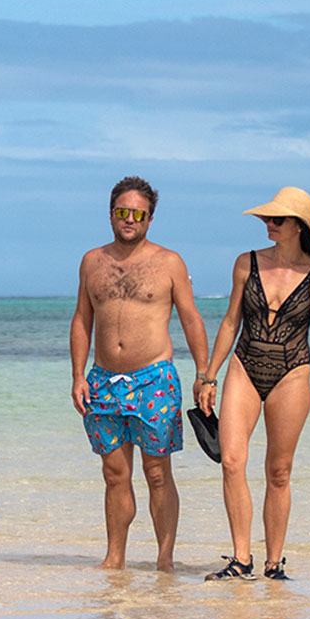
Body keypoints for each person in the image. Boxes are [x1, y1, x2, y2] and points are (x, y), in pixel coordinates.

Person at [196, 187, 310, 581]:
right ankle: (241, 559)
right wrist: (208, 376)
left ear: (299, 227)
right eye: (266, 218)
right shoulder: (246, 263)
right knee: (231, 461)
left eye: (276, 220)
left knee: (278, 471)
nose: (268, 224)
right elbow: (231, 322)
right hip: (245, 366)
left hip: (292, 372)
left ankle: (273, 564)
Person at [69, 176, 212, 571]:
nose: (129, 219)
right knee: (114, 474)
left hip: (153, 379)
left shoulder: (169, 263)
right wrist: (78, 375)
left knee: (157, 473)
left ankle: (164, 560)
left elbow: (191, 319)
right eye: (122, 212)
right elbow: (82, 320)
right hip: (102, 381)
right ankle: (114, 559)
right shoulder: (91, 261)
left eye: (138, 214)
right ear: (111, 214)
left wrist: (204, 374)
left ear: (150, 219)